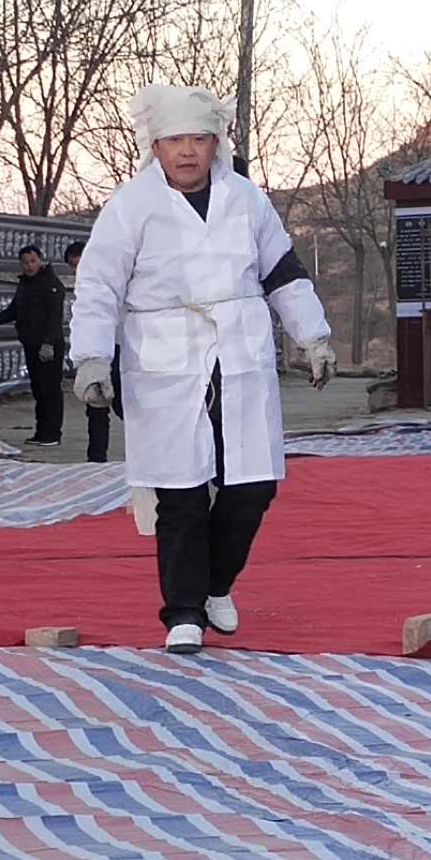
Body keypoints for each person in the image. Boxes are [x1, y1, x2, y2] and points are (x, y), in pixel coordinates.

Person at [68, 84, 337, 657]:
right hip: (163, 360)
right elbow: (97, 285)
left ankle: (216, 583)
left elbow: (284, 273)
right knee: (181, 491)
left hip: (239, 355)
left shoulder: (246, 199)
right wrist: (92, 356)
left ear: (217, 143)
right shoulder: (130, 206)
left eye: (198, 139)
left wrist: (313, 337)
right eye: (174, 141)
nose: (187, 152)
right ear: (154, 146)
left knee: (254, 484)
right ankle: (184, 611)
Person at [0, 245, 67, 446]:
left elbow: (55, 317)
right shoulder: (25, 285)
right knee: (38, 390)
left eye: (33, 261)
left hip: (48, 347)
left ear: (40, 260)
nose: (29, 265)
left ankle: (52, 434)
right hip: (31, 345)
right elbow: (13, 311)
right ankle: (41, 432)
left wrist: (48, 343)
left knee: (50, 390)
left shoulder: (51, 284)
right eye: (25, 262)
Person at [68, 239, 125, 463]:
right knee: (95, 407)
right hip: (96, 354)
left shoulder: (114, 277)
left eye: (80, 263)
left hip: (120, 349)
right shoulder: (84, 289)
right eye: (73, 266)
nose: (78, 269)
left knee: (124, 406)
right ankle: (96, 458)